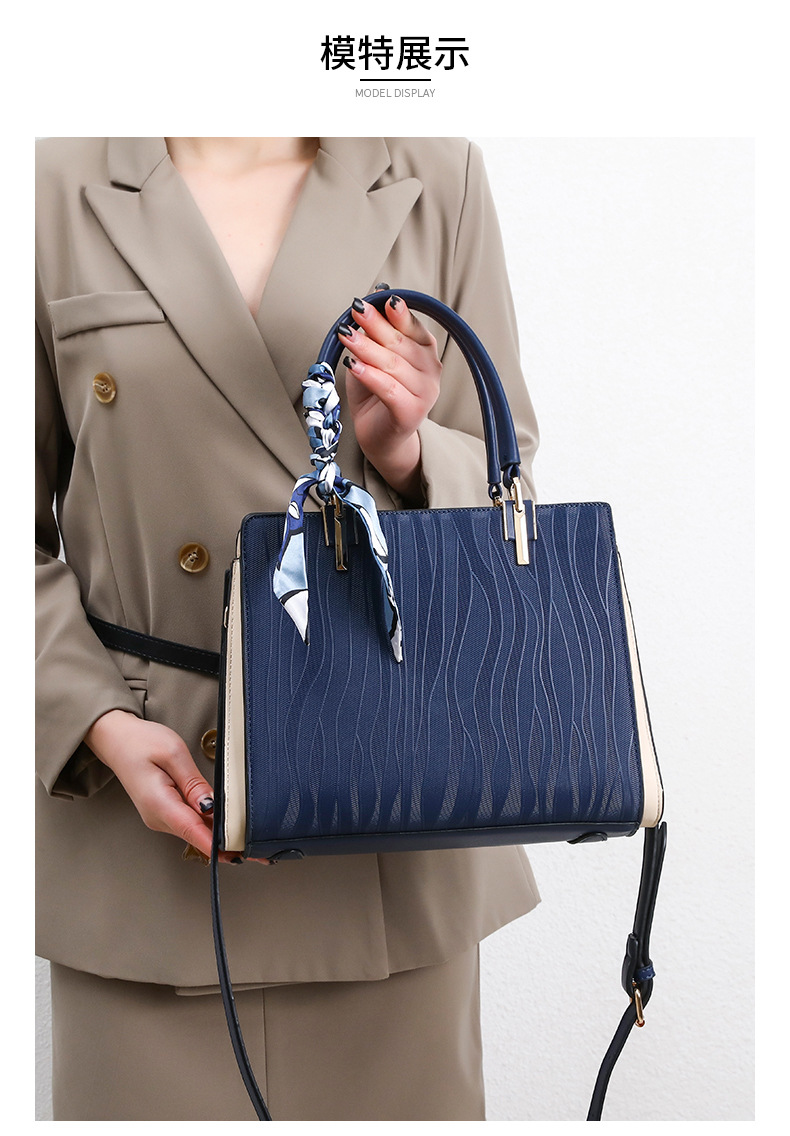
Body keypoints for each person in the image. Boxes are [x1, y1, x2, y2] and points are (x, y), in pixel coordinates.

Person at [35, 136, 541, 1121]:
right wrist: (96, 719)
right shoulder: (50, 182)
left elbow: (507, 491)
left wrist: (406, 453)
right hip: (145, 846)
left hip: (389, 826)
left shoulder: (436, 175)